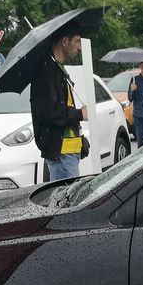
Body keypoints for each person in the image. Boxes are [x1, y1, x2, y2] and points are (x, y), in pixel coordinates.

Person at [30, 23, 88, 182]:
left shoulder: (57, 68)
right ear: (64, 41)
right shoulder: (45, 70)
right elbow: (51, 111)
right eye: (77, 41)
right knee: (66, 202)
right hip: (61, 153)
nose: (79, 47)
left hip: (68, 151)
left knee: (68, 200)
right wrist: (80, 114)